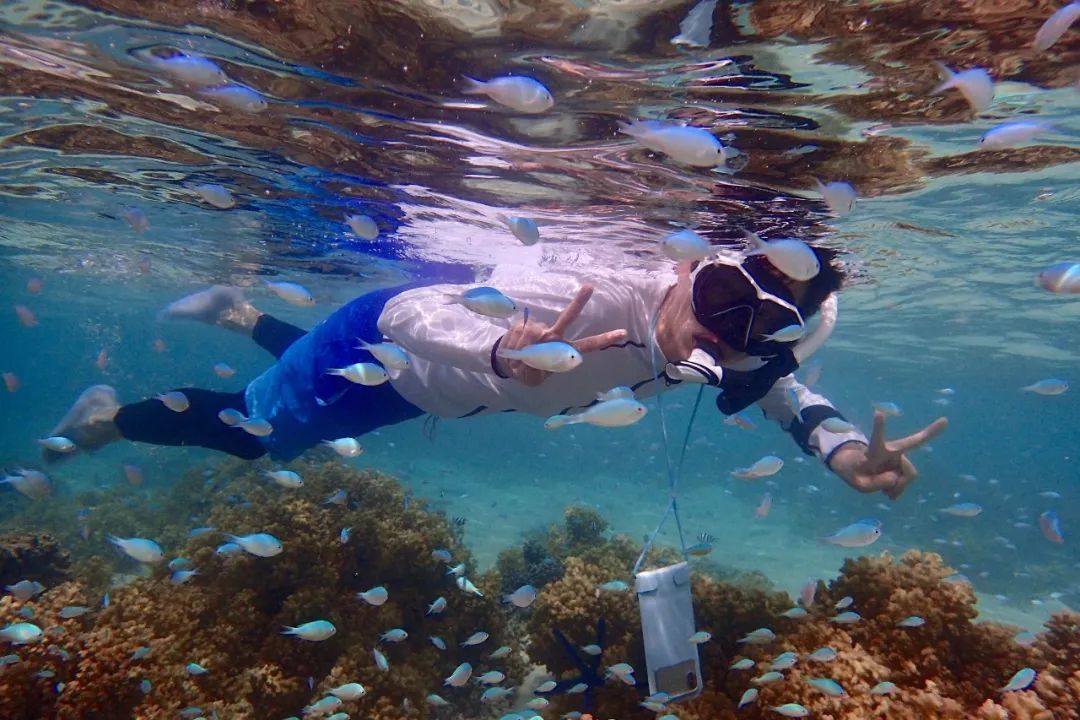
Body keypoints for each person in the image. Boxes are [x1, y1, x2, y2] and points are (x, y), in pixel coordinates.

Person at [46, 242, 946, 499]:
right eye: (715, 298)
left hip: (427, 390)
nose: (707, 337)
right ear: (689, 268)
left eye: (752, 333)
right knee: (261, 433)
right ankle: (105, 421)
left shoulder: (726, 348)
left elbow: (781, 389)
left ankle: (241, 312)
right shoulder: (595, 295)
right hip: (394, 352)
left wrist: (837, 452)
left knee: (317, 400)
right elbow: (407, 311)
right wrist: (497, 350)